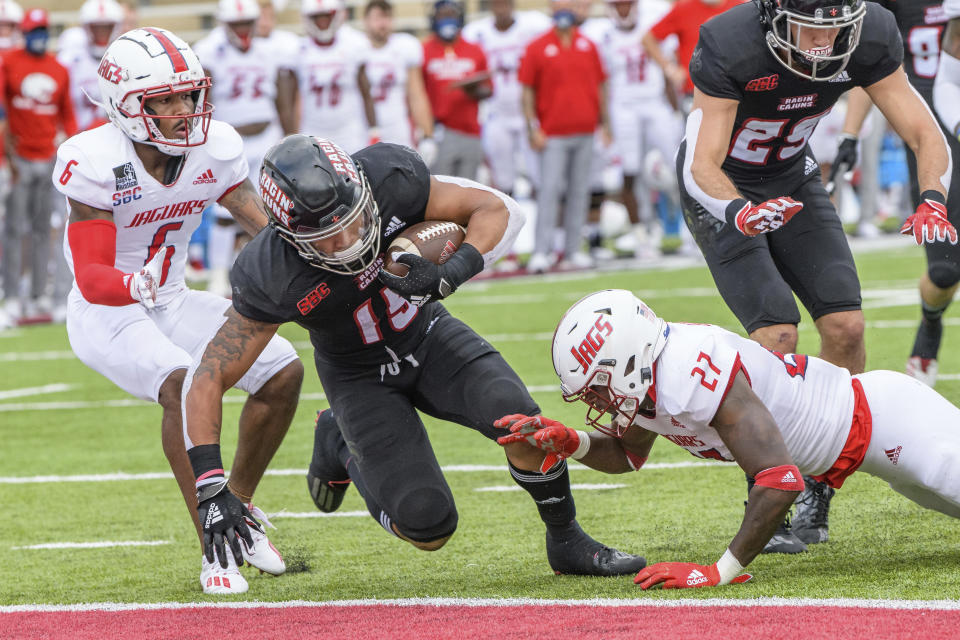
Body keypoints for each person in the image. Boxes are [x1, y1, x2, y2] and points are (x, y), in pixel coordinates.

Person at [181, 134, 647, 577]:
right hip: (357, 374)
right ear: (290, 236)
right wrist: (209, 485)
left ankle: (566, 540)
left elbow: (498, 208)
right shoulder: (270, 271)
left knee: (522, 423)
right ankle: (338, 443)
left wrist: (453, 271)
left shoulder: (389, 177)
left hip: (427, 335)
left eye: (355, 220)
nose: (348, 241)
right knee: (427, 526)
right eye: (328, 236)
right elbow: (209, 376)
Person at [676, 0, 956, 553]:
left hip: (792, 173)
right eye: (813, 28)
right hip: (723, 187)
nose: (825, 44)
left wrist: (933, 200)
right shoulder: (731, 41)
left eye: (838, 29)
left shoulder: (873, 30)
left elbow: (927, 133)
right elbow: (701, 163)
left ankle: (818, 486)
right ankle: (768, 485)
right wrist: (738, 211)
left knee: (847, 329)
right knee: (776, 335)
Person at [51, 27, 304, 595]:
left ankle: (236, 504)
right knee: (183, 384)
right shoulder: (93, 159)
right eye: (163, 99)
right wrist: (130, 282)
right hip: (107, 312)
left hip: (173, 299)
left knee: (283, 370)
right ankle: (213, 547)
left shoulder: (215, 148)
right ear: (126, 106)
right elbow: (91, 277)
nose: (182, 110)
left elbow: (263, 227)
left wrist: (319, 252)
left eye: (188, 95)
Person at [498, 288, 960, 589]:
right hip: (872, 448)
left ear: (626, 358)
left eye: (598, 385)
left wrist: (718, 571)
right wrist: (570, 442)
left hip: (893, 423)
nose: (597, 398)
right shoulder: (651, 379)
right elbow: (625, 454)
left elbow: (780, 481)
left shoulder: (686, 370)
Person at [194, 0, 296, 298]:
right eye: (236, 24)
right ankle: (218, 275)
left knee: (276, 210)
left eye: (246, 23)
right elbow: (202, 101)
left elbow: (283, 100)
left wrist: (291, 137)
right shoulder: (210, 51)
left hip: (267, 136)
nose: (242, 29)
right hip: (227, 140)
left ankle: (276, 273)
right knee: (226, 213)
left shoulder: (271, 51)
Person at [520, 0, 610, 273]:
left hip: (584, 130)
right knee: (549, 191)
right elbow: (526, 91)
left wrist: (605, 124)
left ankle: (572, 249)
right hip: (553, 133)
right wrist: (532, 127)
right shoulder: (537, 47)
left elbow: (600, 85)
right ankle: (541, 250)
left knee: (579, 192)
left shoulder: (587, 44)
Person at [1, 9, 77, 324]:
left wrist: (72, 148)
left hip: (48, 157)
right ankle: (13, 298)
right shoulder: (8, 63)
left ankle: (39, 295)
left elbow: (67, 114)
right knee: (15, 229)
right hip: (20, 157)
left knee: (45, 229)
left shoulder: (58, 69)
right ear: (24, 32)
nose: (38, 36)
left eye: (42, 30)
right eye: (33, 30)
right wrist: (5, 155)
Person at [461, 0, 551, 196]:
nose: (501, 7)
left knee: (540, 175)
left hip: (529, 113)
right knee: (503, 179)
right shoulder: (477, 33)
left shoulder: (533, 25)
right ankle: (511, 222)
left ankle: (543, 221)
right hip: (496, 113)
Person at [279, 0, 378, 154]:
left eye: (326, 17)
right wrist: (290, 135)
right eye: (317, 17)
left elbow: (366, 93)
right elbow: (288, 101)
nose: (322, 22)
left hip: (350, 130)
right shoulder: (297, 50)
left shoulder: (354, 46)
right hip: (312, 131)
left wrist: (374, 129)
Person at [422, 0, 491, 179]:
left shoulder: (475, 49)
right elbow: (417, 94)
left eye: (451, 14)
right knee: (440, 192)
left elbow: (489, 90)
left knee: (468, 192)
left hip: (472, 131)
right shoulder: (424, 50)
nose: (447, 19)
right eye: (442, 15)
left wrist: (472, 90)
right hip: (440, 132)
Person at [362, 0, 435, 152]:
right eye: (377, 18)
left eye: (387, 18)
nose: (383, 24)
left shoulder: (405, 46)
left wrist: (427, 135)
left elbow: (417, 95)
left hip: (398, 128)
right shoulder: (356, 48)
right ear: (366, 21)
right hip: (363, 130)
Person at [641, 0, 742, 103]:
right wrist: (670, 69)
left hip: (734, 91)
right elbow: (648, 39)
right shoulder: (684, 7)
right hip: (695, 93)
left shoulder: (740, 7)